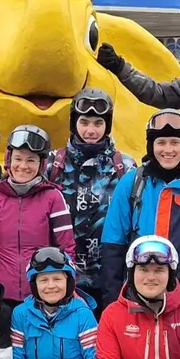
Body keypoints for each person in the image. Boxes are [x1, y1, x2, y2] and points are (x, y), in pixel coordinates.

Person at [101, 109, 180, 323]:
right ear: (151, 146)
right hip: (135, 302)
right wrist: (112, 308)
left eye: (175, 142)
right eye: (161, 143)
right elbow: (112, 247)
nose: (168, 150)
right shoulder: (132, 184)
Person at [44, 87, 135, 307]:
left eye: (98, 123)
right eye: (84, 122)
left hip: (110, 276)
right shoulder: (52, 164)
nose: (91, 130)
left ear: (107, 125)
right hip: (60, 274)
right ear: (74, 123)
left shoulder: (126, 167)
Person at [0, 125, 75, 302]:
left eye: (31, 160)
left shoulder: (53, 198)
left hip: (42, 295)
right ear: (9, 160)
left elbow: (66, 248)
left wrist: (69, 289)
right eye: (18, 159)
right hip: (1, 295)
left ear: (41, 164)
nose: (23, 166)